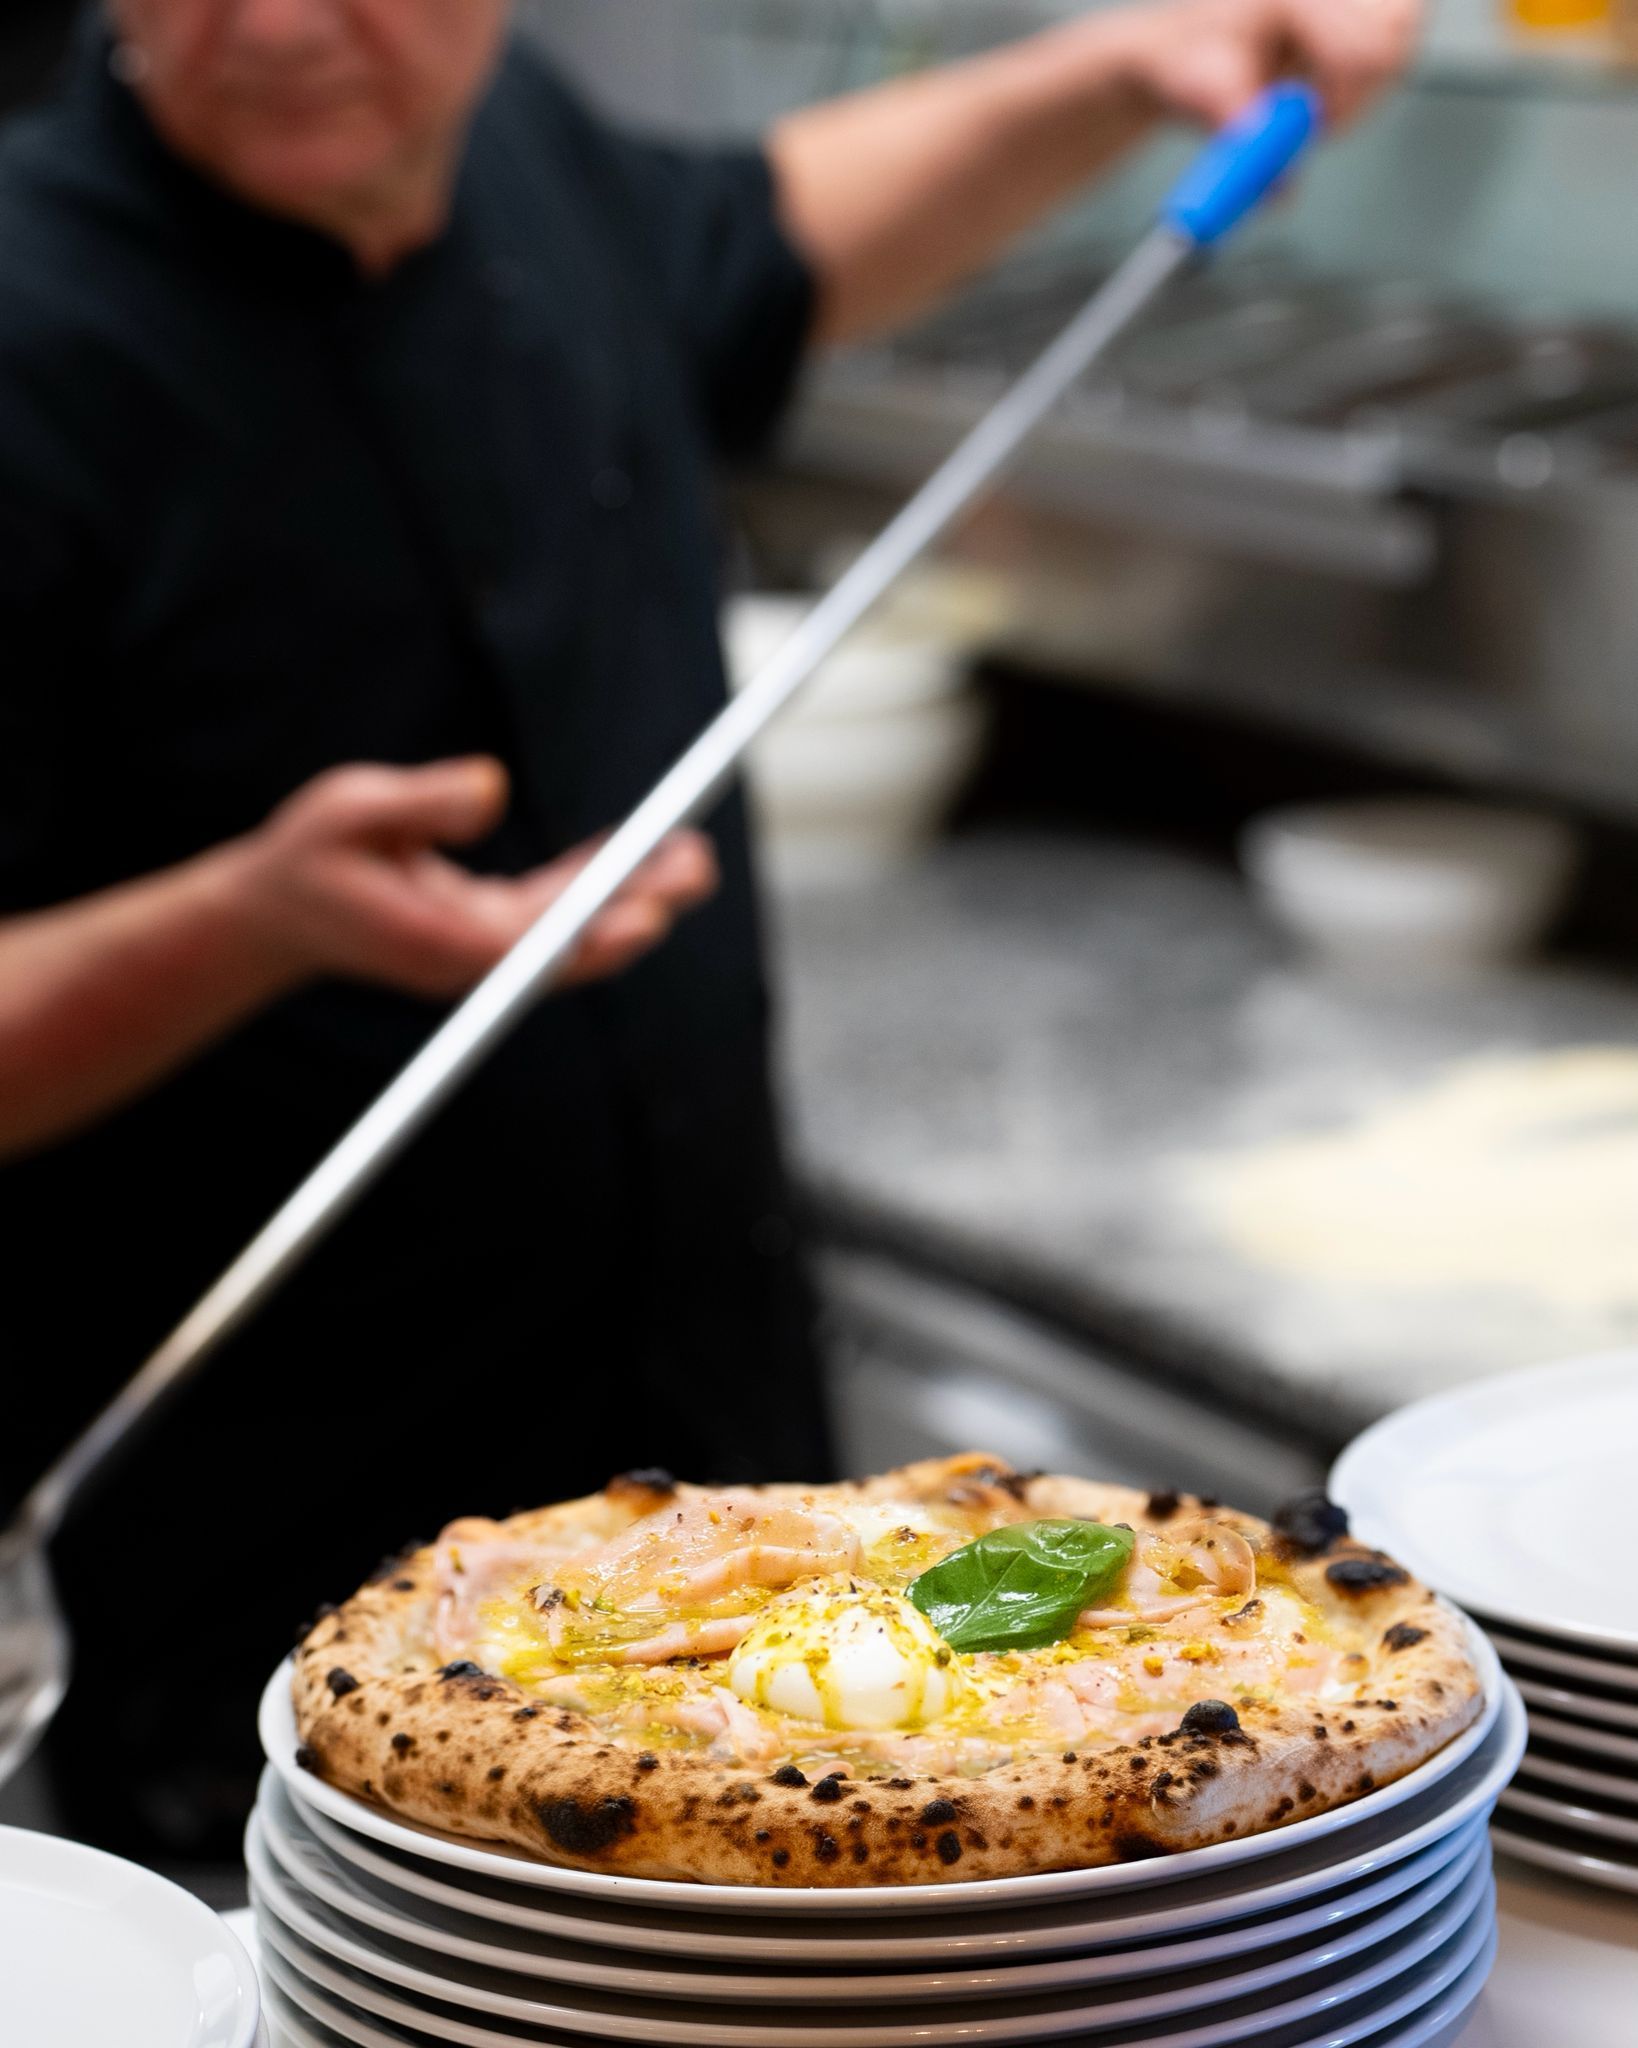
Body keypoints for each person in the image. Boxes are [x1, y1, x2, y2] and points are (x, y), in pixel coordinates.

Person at [0, 0, 1418, 1864]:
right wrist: (245, 923)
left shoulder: (525, 159)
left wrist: (1115, 68)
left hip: (743, 1518)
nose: (273, 19)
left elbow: (778, 230)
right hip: (250, 1599)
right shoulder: (30, 328)